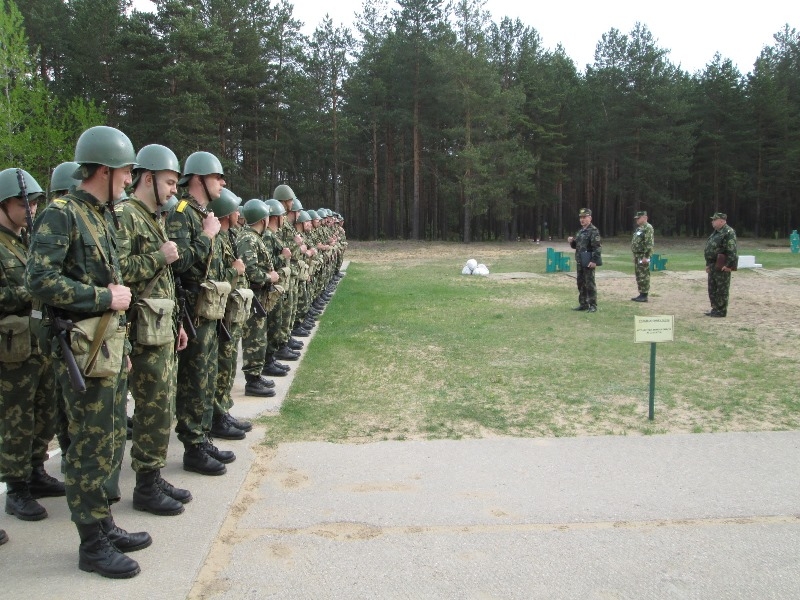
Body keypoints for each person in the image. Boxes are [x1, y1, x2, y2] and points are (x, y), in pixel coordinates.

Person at [25, 125, 150, 578]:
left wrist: (124, 343)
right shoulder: (62, 213)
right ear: (104, 169)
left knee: (111, 437)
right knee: (87, 445)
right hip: (81, 350)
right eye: (125, 171)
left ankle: (104, 522)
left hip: (107, 348)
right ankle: (91, 544)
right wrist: (103, 300)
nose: (130, 179)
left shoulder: (102, 214)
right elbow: (39, 282)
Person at [116, 144, 191, 516]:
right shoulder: (126, 215)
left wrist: (176, 323)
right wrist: (159, 257)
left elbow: (162, 282)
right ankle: (145, 485)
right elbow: (117, 272)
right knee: (150, 407)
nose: (175, 191)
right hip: (138, 330)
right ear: (149, 178)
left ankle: (153, 474)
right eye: (170, 183)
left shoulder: (151, 217)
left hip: (159, 327)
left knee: (161, 406)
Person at [166, 151, 238, 475]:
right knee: (193, 379)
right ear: (198, 178)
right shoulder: (182, 212)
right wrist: (208, 236)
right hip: (192, 309)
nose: (222, 182)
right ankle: (193, 446)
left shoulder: (203, 213)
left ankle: (203, 435)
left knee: (207, 377)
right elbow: (179, 263)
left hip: (209, 308)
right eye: (217, 177)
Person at [0, 168, 64, 527]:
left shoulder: (24, 241)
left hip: (35, 344)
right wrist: (31, 291)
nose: (33, 208)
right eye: (25, 202)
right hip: (11, 352)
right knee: (16, 419)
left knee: (44, 412)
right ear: (4, 203)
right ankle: (17, 488)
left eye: (37, 201)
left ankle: (36, 470)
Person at [207, 189, 250, 440]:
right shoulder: (215, 240)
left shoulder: (226, 237)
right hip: (217, 314)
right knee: (220, 366)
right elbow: (216, 280)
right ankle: (216, 416)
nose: (238, 214)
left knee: (228, 364)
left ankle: (223, 411)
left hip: (228, 313)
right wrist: (235, 272)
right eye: (234, 210)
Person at [237, 198, 279, 395]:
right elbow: (251, 272)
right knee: (253, 337)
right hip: (253, 297)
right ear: (263, 220)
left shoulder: (253, 237)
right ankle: (252, 381)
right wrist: (269, 277)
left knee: (259, 337)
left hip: (258, 296)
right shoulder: (249, 239)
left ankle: (256, 375)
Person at [568, 208, 602, 313]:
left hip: (588, 260)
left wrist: (594, 261)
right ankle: (583, 304)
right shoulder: (581, 231)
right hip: (580, 261)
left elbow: (597, 248)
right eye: (581, 218)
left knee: (590, 283)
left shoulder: (593, 231)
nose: (582, 220)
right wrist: (571, 242)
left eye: (584, 217)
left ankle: (593, 305)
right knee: (581, 283)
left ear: (590, 218)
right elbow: (576, 246)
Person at [704, 212, 737, 317]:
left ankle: (721, 310)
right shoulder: (716, 232)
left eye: (715, 220)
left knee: (721, 289)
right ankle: (715, 308)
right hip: (713, 264)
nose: (712, 222)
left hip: (722, 265)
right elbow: (710, 249)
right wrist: (708, 264)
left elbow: (732, 250)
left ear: (722, 221)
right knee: (712, 288)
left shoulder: (728, 232)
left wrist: (729, 265)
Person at [630, 210, 654, 302]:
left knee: (644, 274)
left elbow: (649, 243)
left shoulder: (648, 227)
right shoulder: (640, 228)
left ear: (645, 218)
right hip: (638, 255)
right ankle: (641, 293)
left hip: (643, 255)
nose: (637, 220)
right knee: (639, 275)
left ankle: (644, 295)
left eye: (638, 218)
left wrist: (646, 256)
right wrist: (634, 255)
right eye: (636, 218)